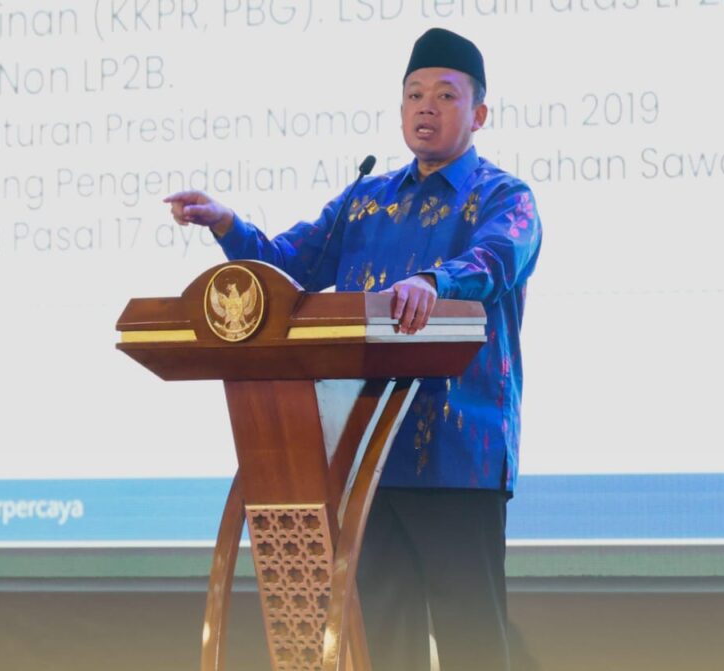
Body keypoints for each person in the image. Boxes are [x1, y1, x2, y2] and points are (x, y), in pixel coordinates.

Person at [166, 27, 542, 671]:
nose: (426, 107)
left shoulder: (505, 198)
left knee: (473, 640)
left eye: (445, 95)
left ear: (478, 114)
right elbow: (288, 265)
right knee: (381, 642)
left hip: (458, 452)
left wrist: (433, 283)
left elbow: (495, 259)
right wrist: (228, 225)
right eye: (414, 95)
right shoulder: (366, 201)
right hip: (366, 458)